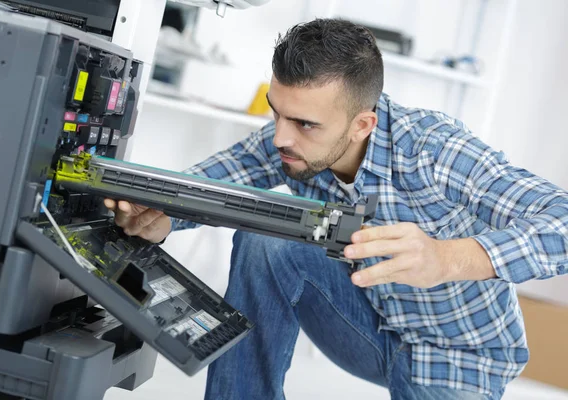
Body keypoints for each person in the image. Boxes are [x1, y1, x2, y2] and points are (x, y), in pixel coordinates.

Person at [104, 18, 568, 400]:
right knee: (267, 240)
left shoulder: (434, 149)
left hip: (457, 356)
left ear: (362, 124)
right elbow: (205, 188)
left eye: (304, 123)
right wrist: (160, 215)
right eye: (277, 113)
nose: (282, 137)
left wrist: (450, 257)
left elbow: (561, 220)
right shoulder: (293, 143)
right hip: (366, 326)